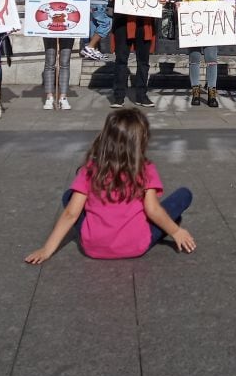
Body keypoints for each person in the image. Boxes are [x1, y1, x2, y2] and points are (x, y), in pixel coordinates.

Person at [24, 108, 196, 263]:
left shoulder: (90, 170)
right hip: (135, 244)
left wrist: (47, 250)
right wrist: (176, 232)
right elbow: (153, 210)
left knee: (69, 197)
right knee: (183, 195)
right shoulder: (145, 169)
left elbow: (71, 214)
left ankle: (162, 224)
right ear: (141, 142)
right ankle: (168, 224)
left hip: (93, 247)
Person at [105, 0, 164, 108]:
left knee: (143, 60)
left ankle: (141, 95)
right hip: (124, 19)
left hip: (144, 21)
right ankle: (118, 96)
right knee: (121, 58)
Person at [40, 0, 83, 111]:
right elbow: (38, 0)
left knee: (64, 61)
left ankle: (63, 96)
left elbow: (83, 0)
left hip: (68, 26)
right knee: (50, 60)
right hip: (50, 26)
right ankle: (49, 96)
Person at [180, 0, 221, 108]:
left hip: (210, 30)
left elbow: (220, 5)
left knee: (212, 61)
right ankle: (195, 92)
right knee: (194, 60)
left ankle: (212, 92)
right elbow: (183, 3)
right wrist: (179, 6)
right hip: (194, 30)